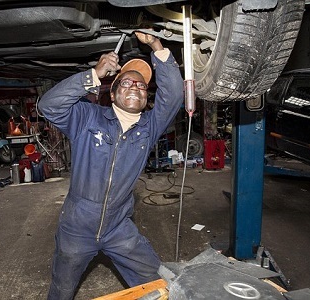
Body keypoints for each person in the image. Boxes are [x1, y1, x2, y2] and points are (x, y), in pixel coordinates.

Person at [38, 31, 184, 300]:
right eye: (127, 83)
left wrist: (156, 45)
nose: (135, 88)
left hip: (119, 228)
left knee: (158, 284)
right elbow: (48, 105)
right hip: (76, 228)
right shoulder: (87, 117)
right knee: (62, 290)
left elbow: (174, 95)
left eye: (141, 86)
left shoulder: (149, 127)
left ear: (146, 98)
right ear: (113, 93)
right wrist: (92, 74)